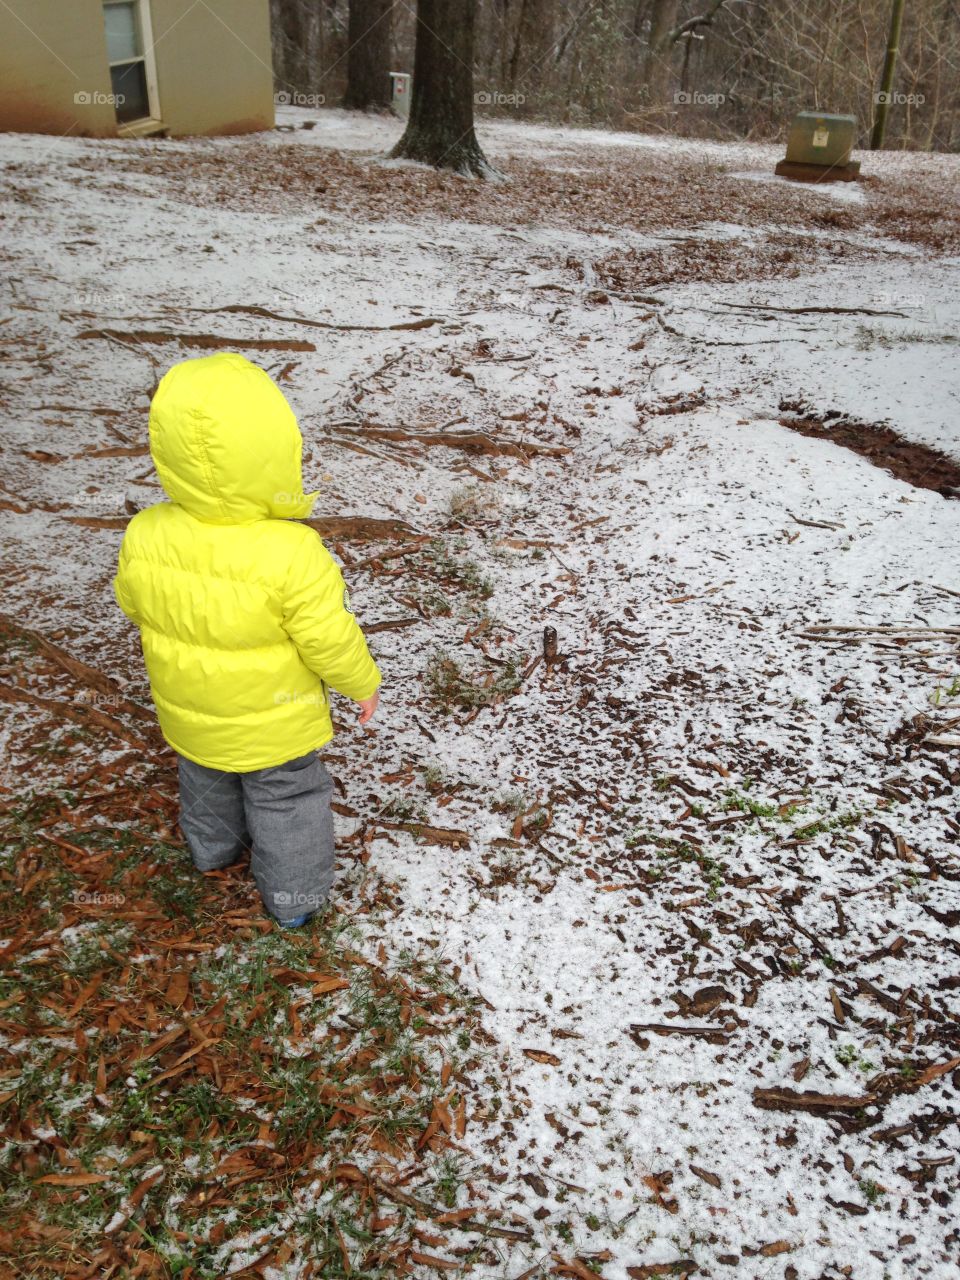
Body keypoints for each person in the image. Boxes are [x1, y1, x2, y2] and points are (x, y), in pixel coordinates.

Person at [113, 352, 380, 928]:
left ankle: (212, 854)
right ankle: (293, 902)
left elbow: (131, 603)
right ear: (274, 453)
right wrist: (362, 684)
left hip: (189, 710)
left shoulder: (146, 531)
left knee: (203, 777)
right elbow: (327, 638)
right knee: (286, 798)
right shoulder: (291, 552)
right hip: (275, 722)